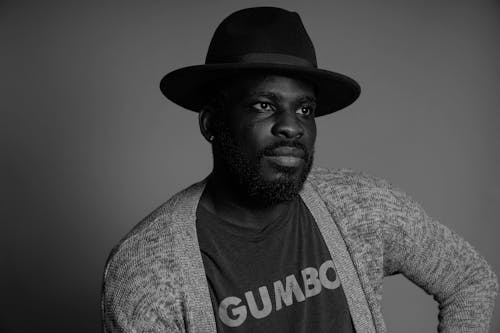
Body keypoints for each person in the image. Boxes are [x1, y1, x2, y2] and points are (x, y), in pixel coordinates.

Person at [101, 7, 497, 333]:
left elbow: (469, 280)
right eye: (264, 105)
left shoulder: (361, 207)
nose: (292, 125)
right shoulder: (149, 268)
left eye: (305, 109)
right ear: (210, 124)